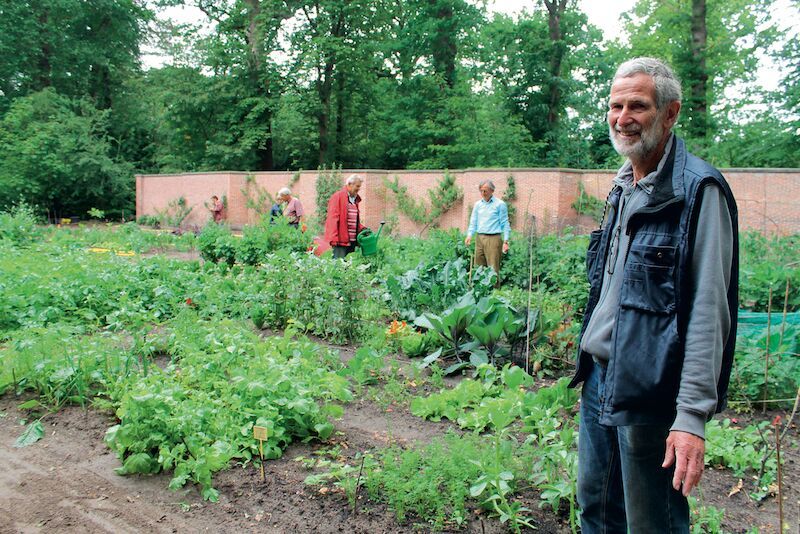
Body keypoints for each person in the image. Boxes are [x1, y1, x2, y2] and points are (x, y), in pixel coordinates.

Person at [568, 57, 739, 533]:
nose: (623, 117)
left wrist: (690, 418)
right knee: (596, 511)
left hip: (652, 393)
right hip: (601, 381)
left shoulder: (698, 192)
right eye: (615, 105)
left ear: (670, 114)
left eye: (638, 105)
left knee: (651, 524)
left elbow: (709, 312)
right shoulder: (623, 187)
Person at [464, 180, 510, 281]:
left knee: (493, 268)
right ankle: (480, 292)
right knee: (479, 267)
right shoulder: (477, 205)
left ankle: (494, 293)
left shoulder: (500, 204)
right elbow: (473, 221)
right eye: (481, 191)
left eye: (485, 191)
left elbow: (505, 223)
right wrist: (469, 235)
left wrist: (506, 241)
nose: (483, 193)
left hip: (493, 238)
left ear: (492, 190)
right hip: (479, 237)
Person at [323, 174, 365, 258]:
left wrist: (363, 229)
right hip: (340, 241)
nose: (358, 189)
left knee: (349, 266)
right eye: (357, 186)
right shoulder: (338, 197)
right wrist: (334, 238)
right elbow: (332, 219)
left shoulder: (354, 200)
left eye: (359, 187)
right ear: (349, 184)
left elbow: (354, 220)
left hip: (351, 241)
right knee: (339, 266)